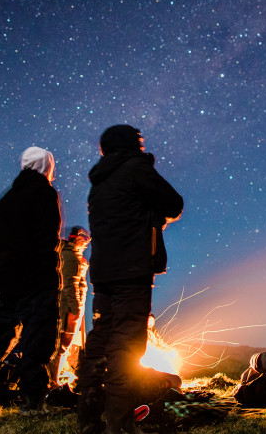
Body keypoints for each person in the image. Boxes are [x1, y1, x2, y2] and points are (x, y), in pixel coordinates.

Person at [78, 124, 183, 434]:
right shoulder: (136, 168)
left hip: (103, 270)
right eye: (140, 141)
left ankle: (88, 419)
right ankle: (120, 425)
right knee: (127, 342)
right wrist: (157, 216)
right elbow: (173, 203)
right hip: (132, 268)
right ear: (131, 144)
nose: (143, 146)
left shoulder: (99, 180)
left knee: (101, 338)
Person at [0, 146, 62, 414]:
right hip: (38, 276)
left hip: (11, 276)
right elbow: (47, 236)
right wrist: (47, 265)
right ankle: (33, 400)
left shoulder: (8, 198)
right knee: (38, 336)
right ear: (46, 166)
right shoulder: (44, 192)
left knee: (0, 331)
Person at [49, 226, 90, 387]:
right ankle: (52, 381)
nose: (85, 245)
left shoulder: (73, 255)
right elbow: (70, 285)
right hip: (69, 309)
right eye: (84, 241)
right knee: (62, 345)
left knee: (62, 346)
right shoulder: (70, 257)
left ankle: (53, 378)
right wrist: (76, 309)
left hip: (71, 306)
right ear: (78, 239)